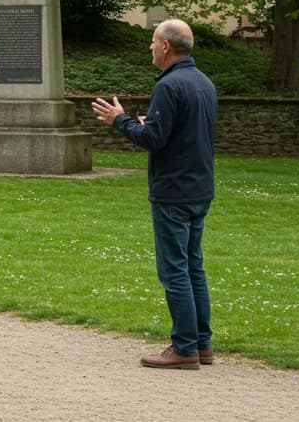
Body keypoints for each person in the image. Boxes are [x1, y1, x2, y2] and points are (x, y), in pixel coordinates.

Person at [91, 19, 218, 369]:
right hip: (200, 187)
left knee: (174, 269)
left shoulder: (169, 85)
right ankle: (202, 344)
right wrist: (151, 124)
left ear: (165, 47)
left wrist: (120, 120)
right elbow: (185, 133)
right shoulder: (203, 83)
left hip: (173, 191)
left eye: (152, 41)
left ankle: (184, 348)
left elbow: (152, 141)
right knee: (194, 266)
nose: (149, 47)